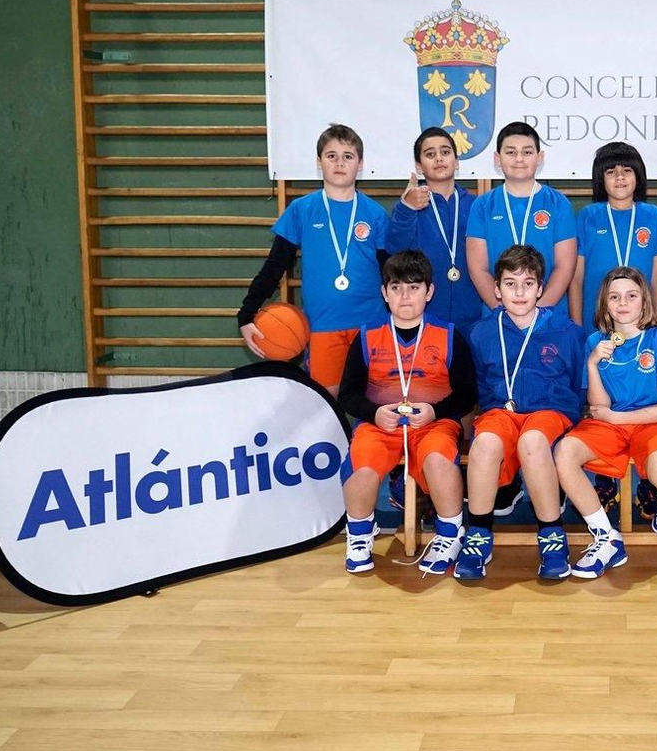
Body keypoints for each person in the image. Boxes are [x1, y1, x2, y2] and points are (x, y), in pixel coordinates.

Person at [334, 250, 477, 576]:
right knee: (362, 463)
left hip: (433, 423)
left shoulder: (451, 335)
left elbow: (469, 394)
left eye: (413, 288)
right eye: (396, 288)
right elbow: (348, 393)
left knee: (439, 460)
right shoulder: (367, 335)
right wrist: (373, 413)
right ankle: (359, 532)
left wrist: (435, 410)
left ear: (429, 292)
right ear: (384, 293)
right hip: (380, 424)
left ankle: (450, 533)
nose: (405, 296)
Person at [552, 267, 657, 578]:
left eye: (631, 296)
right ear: (604, 304)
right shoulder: (594, 341)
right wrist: (592, 363)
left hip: (652, 423)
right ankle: (606, 537)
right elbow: (599, 406)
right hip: (608, 424)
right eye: (614, 297)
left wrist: (620, 417)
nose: (623, 303)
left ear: (645, 301)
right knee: (564, 452)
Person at [459, 244, 585, 581]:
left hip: (549, 412)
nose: (519, 292)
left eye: (528, 283)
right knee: (484, 443)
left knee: (532, 441)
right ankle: (478, 535)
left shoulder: (567, 331)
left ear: (541, 289)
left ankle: (552, 535)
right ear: (496, 289)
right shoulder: (481, 332)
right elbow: (481, 387)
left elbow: (577, 384)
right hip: (502, 412)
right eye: (510, 283)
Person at [238, 123, 387, 395]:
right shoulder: (301, 210)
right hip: (322, 326)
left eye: (348, 156)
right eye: (331, 156)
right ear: (319, 162)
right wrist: (246, 314)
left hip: (372, 326)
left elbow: (390, 273)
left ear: (360, 164)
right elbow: (275, 266)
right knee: (327, 405)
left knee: (375, 403)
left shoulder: (375, 213)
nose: (339, 163)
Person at [466, 122, 578, 311]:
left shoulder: (559, 204)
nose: (519, 159)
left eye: (527, 152)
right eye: (510, 152)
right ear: (497, 158)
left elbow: (564, 267)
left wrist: (538, 313)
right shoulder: (482, 206)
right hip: (499, 316)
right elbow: (478, 269)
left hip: (548, 315)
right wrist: (504, 311)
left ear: (540, 157)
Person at [384, 126, 484, 328]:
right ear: (419, 166)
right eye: (430, 154)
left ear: (456, 162)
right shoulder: (408, 207)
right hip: (426, 319)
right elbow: (395, 252)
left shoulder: (476, 205)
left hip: (474, 319)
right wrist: (407, 208)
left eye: (445, 152)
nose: (439, 158)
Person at [569, 142, 657, 327]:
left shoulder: (654, 216)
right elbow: (576, 280)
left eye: (627, 170)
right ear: (601, 179)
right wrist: (576, 327)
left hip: (642, 324)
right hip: (595, 323)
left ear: (638, 176)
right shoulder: (587, 216)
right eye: (610, 172)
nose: (619, 177)